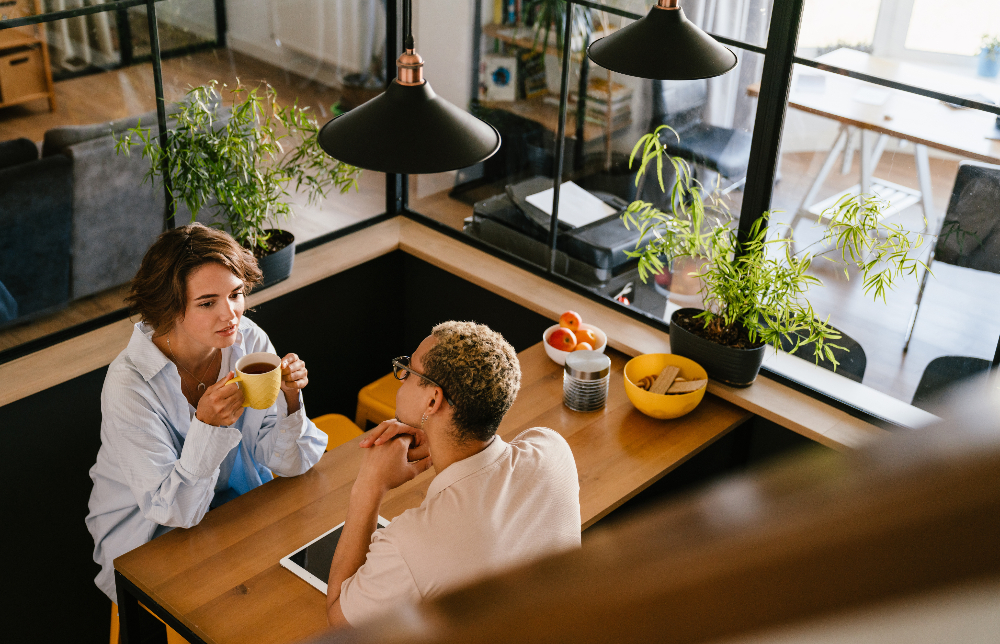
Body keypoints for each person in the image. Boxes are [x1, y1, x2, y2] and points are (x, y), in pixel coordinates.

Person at [86, 223, 328, 603]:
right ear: (169, 307)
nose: (230, 314)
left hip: (235, 504)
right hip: (150, 533)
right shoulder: (129, 386)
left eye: (236, 294)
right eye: (207, 303)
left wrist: (291, 400)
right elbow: (173, 510)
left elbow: (290, 462)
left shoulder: (247, 340)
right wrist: (207, 426)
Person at [326, 321, 581, 628]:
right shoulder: (552, 449)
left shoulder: (411, 544)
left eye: (409, 371)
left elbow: (342, 619)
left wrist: (369, 486)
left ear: (433, 400)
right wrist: (438, 440)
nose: (402, 376)